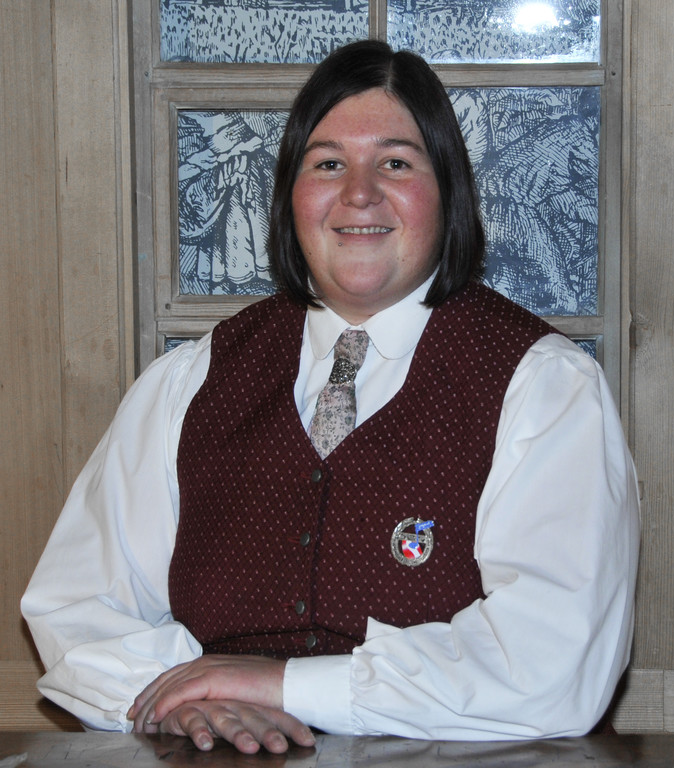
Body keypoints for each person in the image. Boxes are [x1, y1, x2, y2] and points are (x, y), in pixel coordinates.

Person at [21, 40, 639, 755]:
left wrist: (283, 686)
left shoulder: (544, 388)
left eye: (396, 163)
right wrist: (188, 695)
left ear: (448, 191)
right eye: (327, 164)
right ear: (290, 195)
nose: (359, 193)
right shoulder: (190, 382)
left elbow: (555, 663)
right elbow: (77, 605)